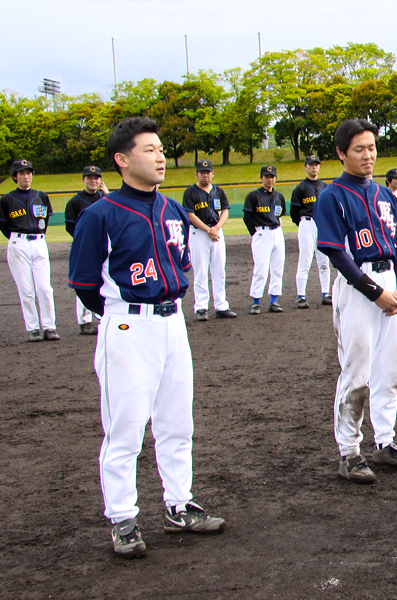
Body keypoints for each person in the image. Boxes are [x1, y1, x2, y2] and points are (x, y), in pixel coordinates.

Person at [68, 116, 225, 558]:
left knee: (177, 422)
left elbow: (182, 264)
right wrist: (123, 314)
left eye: (161, 149)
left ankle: (179, 505)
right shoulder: (100, 215)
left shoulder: (172, 208)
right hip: (127, 326)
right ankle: (122, 517)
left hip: (173, 323)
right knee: (126, 427)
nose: (160, 157)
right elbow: (84, 283)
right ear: (122, 159)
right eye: (149, 150)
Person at [314, 118, 397, 484]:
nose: (368, 155)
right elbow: (335, 252)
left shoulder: (386, 195)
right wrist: (376, 293)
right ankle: (349, 453)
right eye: (358, 149)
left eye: (372, 147)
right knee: (357, 372)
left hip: (389, 280)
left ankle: (385, 442)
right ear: (341, 153)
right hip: (358, 285)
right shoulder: (332, 196)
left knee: (389, 370)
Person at [1, 159, 58, 341]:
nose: (26, 176)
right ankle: (33, 328)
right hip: (18, 243)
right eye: (22, 173)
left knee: (45, 288)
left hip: (39, 242)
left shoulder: (41, 196)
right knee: (26, 290)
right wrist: (17, 238)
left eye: (29, 173)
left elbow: (44, 222)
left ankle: (49, 327)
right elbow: (4, 225)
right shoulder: (7, 199)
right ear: (15, 177)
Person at [182, 160, 236, 320]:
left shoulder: (218, 191)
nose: (205, 175)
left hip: (217, 232)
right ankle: (201, 307)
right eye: (202, 172)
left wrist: (217, 228)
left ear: (212, 173)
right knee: (201, 271)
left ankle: (221, 306)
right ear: (196, 174)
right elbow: (190, 215)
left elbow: (225, 211)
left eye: (208, 172)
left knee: (219, 271)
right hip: (199, 233)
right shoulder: (190, 192)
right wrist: (208, 230)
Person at [65, 165, 109, 335]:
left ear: (101, 180)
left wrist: (107, 194)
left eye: (96, 177)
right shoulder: (75, 201)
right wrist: (84, 241)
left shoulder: (105, 198)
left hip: (104, 246)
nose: (93, 180)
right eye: (89, 177)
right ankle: (85, 321)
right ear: (83, 179)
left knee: (105, 280)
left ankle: (104, 316)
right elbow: (70, 226)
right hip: (85, 248)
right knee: (84, 281)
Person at [243, 165, 286, 314]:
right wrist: (254, 233)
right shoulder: (253, 196)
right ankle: (256, 302)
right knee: (261, 269)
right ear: (261, 178)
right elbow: (247, 217)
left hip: (277, 232)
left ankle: (274, 300)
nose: (270, 179)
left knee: (277, 268)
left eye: (272, 176)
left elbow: (280, 215)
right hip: (261, 232)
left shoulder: (279, 196)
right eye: (267, 176)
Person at [290, 154, 331, 308]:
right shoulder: (300, 188)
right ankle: (301, 296)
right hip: (307, 222)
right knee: (305, 260)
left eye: (316, 164)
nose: (314, 167)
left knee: (324, 261)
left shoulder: (325, 187)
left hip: (323, 223)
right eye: (311, 164)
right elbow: (294, 212)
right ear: (305, 167)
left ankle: (325, 293)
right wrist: (302, 224)